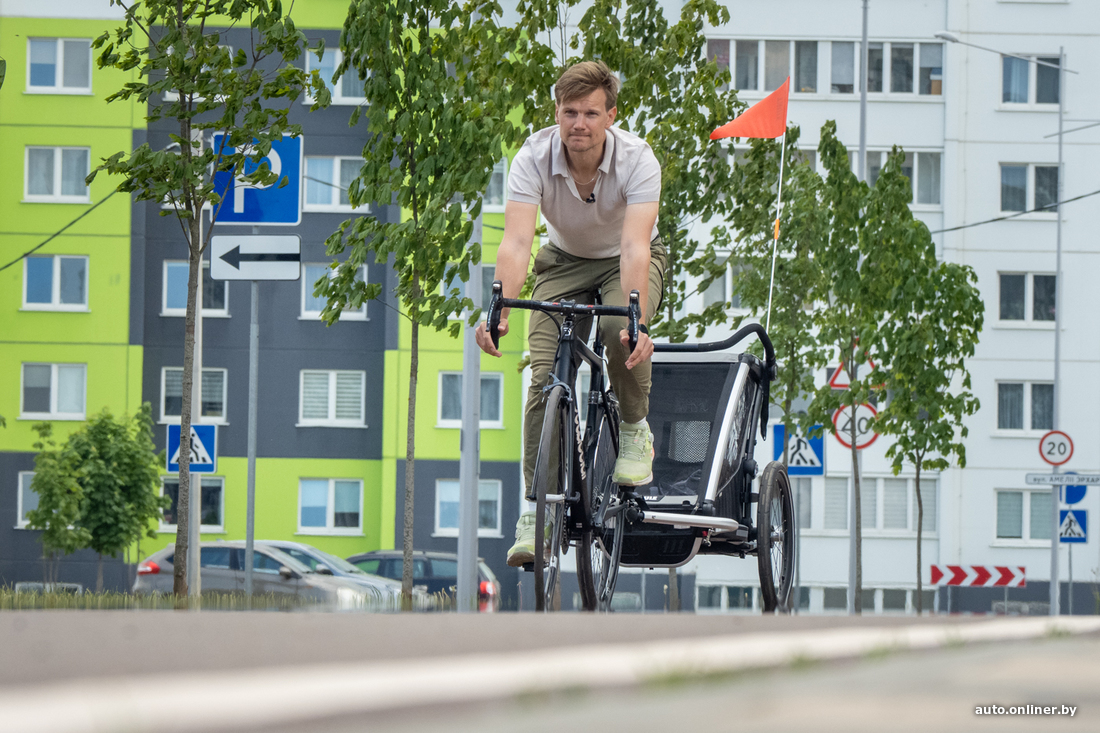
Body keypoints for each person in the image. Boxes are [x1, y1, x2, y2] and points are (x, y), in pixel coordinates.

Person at [474, 61, 665, 568]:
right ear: (556, 112)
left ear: (611, 116)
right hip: (562, 260)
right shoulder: (533, 157)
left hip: (626, 257)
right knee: (543, 379)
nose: (579, 123)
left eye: (591, 113)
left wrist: (636, 320)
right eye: (570, 112)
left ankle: (634, 429)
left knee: (618, 328)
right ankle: (537, 514)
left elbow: (635, 247)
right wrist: (498, 308)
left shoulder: (638, 160)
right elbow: (517, 242)